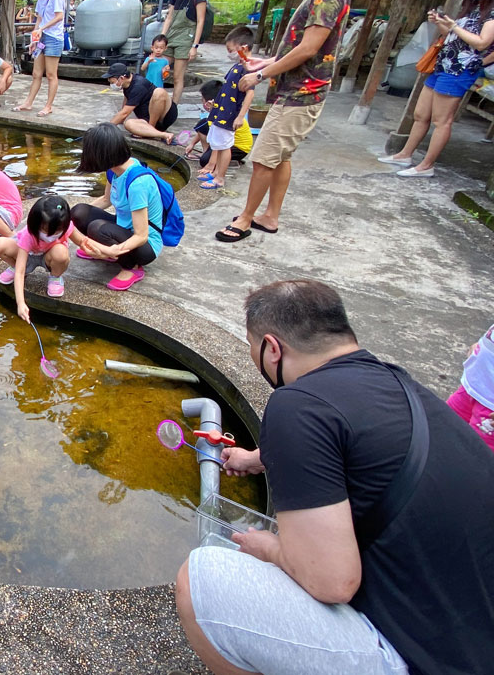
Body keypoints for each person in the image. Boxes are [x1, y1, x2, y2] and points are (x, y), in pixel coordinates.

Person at [175, 279, 494, 675]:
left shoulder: (295, 406)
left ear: (272, 349)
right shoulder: (393, 381)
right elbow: (353, 443)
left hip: (426, 659)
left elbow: (332, 583)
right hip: (467, 626)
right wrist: (259, 458)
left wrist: (269, 547)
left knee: (201, 579)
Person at [218, 0, 350, 242]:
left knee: (263, 157)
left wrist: (261, 75)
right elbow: (301, 47)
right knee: (281, 157)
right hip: (296, 88)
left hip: (302, 93)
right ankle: (270, 215)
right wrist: (270, 61)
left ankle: (245, 219)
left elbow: (309, 48)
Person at [380, 0, 494, 177]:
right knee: (420, 113)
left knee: (442, 120)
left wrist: (453, 26)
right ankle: (405, 154)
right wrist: (441, 23)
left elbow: (481, 43)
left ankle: (426, 166)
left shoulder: (492, 13)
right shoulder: (473, 9)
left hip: (460, 70)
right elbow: (450, 36)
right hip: (442, 64)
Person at [70, 123, 166, 291]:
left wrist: (111, 250)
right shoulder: (114, 170)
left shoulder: (138, 183)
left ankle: (132, 268)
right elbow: (106, 199)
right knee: (79, 212)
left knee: (97, 228)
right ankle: (109, 250)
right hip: (124, 228)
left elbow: (142, 236)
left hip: (147, 244)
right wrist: (68, 221)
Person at [0, 195, 87, 305]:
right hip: (28, 255)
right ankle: (15, 266)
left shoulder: (65, 226)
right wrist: (21, 303)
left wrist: (105, 251)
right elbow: (20, 272)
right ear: (35, 223)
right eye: (44, 230)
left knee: (61, 253)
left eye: (56, 231)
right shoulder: (28, 235)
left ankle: (55, 277)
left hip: (49, 255)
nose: (49, 235)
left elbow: (83, 241)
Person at [199, 26, 256, 191]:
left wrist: (240, 116)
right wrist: (215, 105)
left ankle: (220, 178)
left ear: (243, 48)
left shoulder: (248, 69)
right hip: (222, 112)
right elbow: (227, 90)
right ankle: (215, 172)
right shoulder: (238, 65)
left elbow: (250, 94)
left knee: (224, 146)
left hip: (230, 115)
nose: (228, 53)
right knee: (217, 144)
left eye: (230, 50)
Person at [14, 0, 65, 116]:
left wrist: (43, 28)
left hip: (54, 37)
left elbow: (59, 16)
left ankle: (48, 106)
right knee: (36, 73)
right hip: (41, 37)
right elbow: (39, 18)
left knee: (50, 74)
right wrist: (34, 38)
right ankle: (28, 103)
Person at [159, 0, 207, 105]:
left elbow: (200, 21)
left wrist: (195, 46)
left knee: (177, 77)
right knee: (158, 67)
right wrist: (161, 37)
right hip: (172, 36)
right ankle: (155, 99)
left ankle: (173, 106)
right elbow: (169, 17)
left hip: (186, 39)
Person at [184, 79, 253, 175]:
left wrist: (210, 165)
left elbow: (219, 140)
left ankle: (215, 161)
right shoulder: (218, 109)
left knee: (204, 161)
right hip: (227, 141)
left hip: (239, 148)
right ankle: (207, 152)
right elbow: (205, 128)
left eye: (202, 100)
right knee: (202, 123)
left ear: (208, 103)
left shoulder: (222, 115)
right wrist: (192, 144)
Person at [446, 323, 494, 451]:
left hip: (489, 407)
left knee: (477, 452)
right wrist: (483, 345)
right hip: (473, 386)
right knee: (443, 423)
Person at [101, 62, 177, 143]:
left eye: (112, 82)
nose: (112, 85)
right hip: (146, 119)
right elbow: (126, 103)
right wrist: (120, 121)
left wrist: (105, 129)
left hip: (165, 115)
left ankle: (150, 129)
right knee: (129, 124)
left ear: (121, 78)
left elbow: (125, 113)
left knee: (159, 92)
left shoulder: (138, 85)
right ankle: (163, 135)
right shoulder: (127, 84)